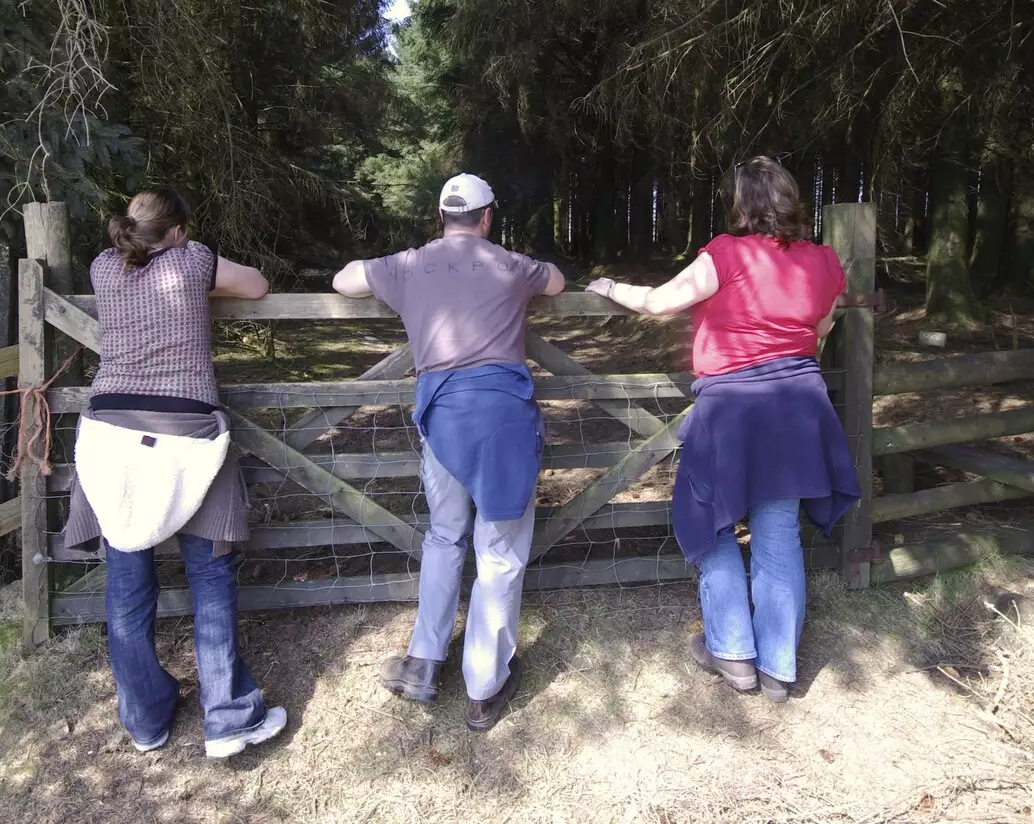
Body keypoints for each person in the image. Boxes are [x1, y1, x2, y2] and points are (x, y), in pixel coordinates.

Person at [585, 157, 859, 702]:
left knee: (709, 519)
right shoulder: (824, 262)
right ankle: (779, 666)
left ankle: (732, 651)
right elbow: (822, 327)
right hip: (799, 408)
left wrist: (608, 283)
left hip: (733, 409)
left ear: (741, 203)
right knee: (778, 531)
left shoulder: (726, 254)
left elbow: (660, 302)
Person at [332, 173, 566, 731]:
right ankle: (484, 687)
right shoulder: (510, 264)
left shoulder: (408, 264)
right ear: (487, 218)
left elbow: (344, 281)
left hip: (442, 417)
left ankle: (423, 662)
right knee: (499, 547)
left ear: (442, 216)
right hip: (504, 416)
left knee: (444, 534)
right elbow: (557, 281)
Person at [65, 188, 287, 758]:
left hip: (109, 431)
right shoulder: (193, 261)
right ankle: (227, 717)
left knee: (126, 579)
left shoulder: (100, 267)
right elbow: (257, 285)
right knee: (210, 575)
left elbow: (137, 282)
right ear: (180, 230)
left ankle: (145, 718)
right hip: (188, 430)